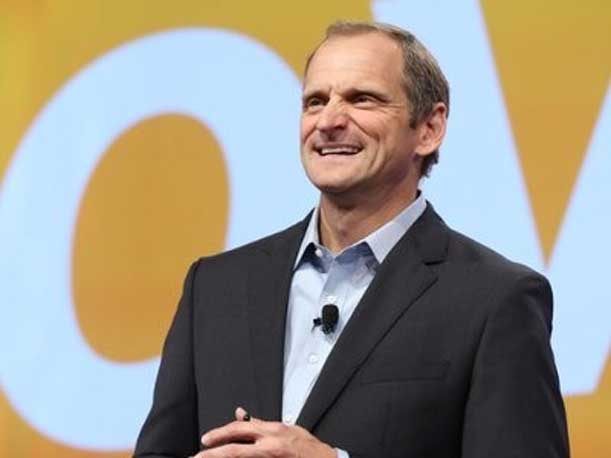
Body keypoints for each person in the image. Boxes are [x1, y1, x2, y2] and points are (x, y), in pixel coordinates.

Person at [134, 21, 569, 458]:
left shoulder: (496, 300)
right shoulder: (215, 287)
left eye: (362, 99)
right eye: (315, 101)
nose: (328, 121)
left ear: (429, 128)